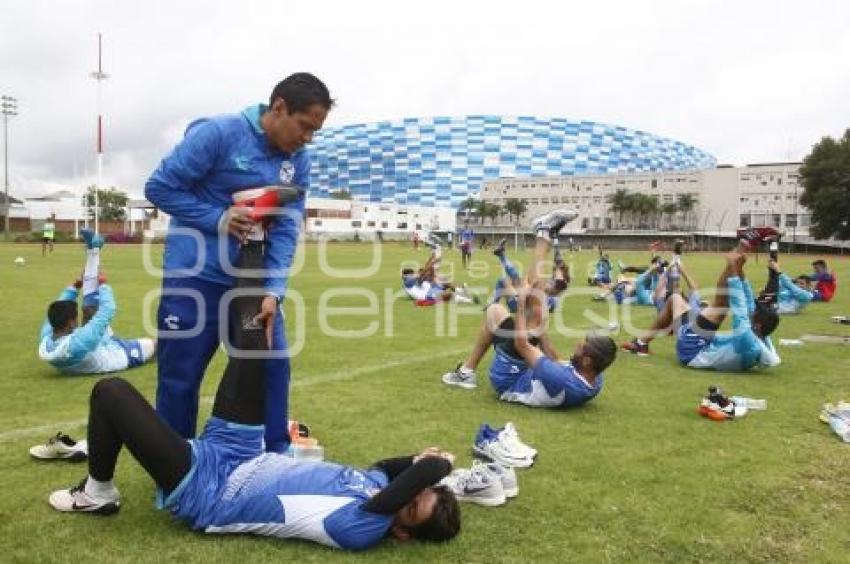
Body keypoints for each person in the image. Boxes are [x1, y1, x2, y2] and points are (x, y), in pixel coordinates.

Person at [46, 287, 460, 551]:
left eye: (411, 509)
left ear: (403, 532)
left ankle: (98, 492)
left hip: (211, 489)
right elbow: (389, 471)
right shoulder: (381, 485)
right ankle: (254, 232)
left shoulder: (362, 528)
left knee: (111, 393)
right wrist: (413, 462)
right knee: (251, 335)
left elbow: (401, 487)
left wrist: (436, 466)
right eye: (416, 492)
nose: (407, 495)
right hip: (243, 451)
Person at [144, 73, 333, 453]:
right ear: (278, 107)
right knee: (181, 377)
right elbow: (159, 187)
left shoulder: (299, 161)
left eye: (316, 131)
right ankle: (173, 468)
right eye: (305, 126)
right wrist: (218, 218)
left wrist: (274, 290)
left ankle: (275, 454)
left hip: (250, 284)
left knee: (271, 365)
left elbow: (285, 228)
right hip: (194, 279)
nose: (308, 138)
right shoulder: (218, 134)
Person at [442, 210, 617, 407]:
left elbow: (521, 345)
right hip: (528, 371)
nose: (579, 342)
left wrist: (523, 303)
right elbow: (555, 358)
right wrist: (541, 328)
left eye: (583, 344)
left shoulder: (561, 380)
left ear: (587, 361)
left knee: (532, 305)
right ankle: (466, 372)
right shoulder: (594, 379)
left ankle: (543, 233)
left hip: (507, 379)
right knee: (497, 312)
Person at [622, 248, 781, 372]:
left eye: (755, 314)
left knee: (720, 304)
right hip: (703, 344)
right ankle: (641, 343)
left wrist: (733, 270)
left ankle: (642, 342)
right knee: (675, 299)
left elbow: (740, 306)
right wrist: (740, 270)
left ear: (758, 325)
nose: (752, 311)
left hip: (692, 351)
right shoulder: (761, 338)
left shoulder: (746, 337)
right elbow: (748, 305)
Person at [38, 230, 156, 375]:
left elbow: (60, 304)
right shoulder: (79, 342)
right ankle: (93, 250)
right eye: (76, 318)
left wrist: (75, 287)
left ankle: (93, 250)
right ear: (71, 323)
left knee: (88, 310)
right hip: (119, 354)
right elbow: (107, 310)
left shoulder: (47, 338)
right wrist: (103, 285)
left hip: (99, 344)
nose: (78, 320)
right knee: (160, 344)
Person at [490, 236, 570, 313]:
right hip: (522, 301)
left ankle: (492, 306)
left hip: (518, 304)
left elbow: (555, 283)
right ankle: (501, 255)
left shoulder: (554, 293)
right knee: (515, 280)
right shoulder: (554, 287)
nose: (555, 271)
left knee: (507, 280)